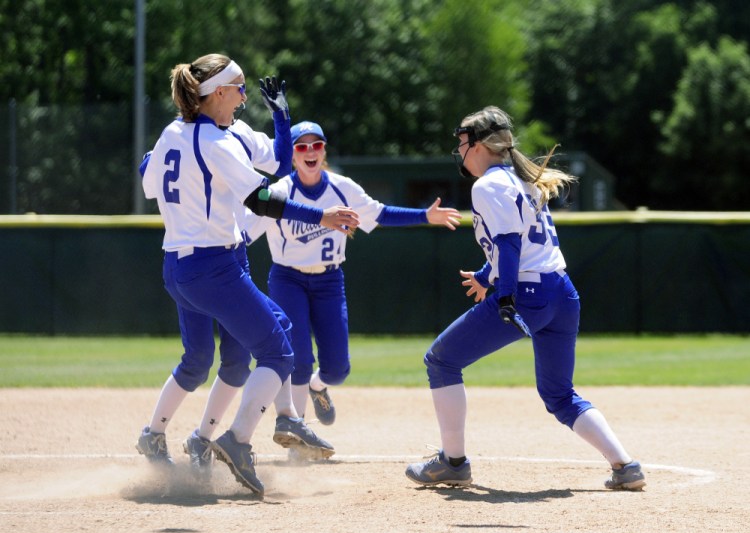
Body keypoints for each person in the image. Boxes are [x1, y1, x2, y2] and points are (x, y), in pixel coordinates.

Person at [136, 53, 360, 498]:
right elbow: (262, 198)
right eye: (238, 88)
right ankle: (236, 442)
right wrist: (323, 215)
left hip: (184, 265)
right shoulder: (215, 143)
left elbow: (150, 180)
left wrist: (282, 117)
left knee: (230, 358)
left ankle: (196, 440)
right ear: (216, 92)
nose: (243, 96)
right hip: (212, 266)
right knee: (279, 351)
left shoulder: (179, 132)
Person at [404, 106, 646, 491]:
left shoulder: (487, 186)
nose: (459, 149)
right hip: (561, 293)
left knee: (441, 360)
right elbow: (521, 242)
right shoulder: (523, 179)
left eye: (462, 141)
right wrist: (487, 275)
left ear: (480, 144)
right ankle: (626, 465)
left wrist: (504, 296)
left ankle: (453, 463)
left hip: (527, 293)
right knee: (559, 393)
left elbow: (509, 242)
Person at [243, 121, 462, 448]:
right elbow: (244, 233)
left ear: (324, 150)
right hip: (288, 278)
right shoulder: (279, 194)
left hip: (330, 279)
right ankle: (297, 431)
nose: (310, 152)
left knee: (338, 368)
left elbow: (380, 214)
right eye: (301, 147)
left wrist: (423, 216)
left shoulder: (343, 188)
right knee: (299, 360)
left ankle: (319, 387)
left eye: (316, 145)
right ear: (292, 155)